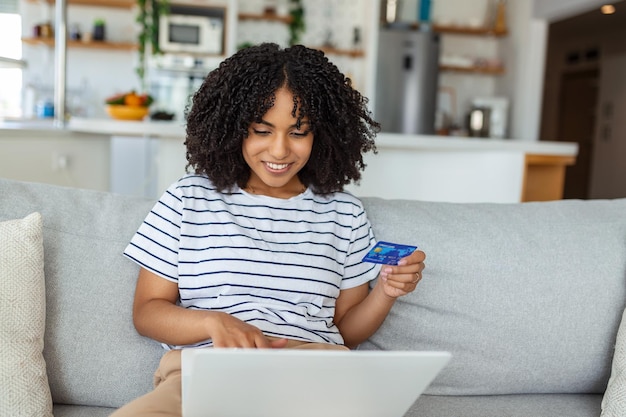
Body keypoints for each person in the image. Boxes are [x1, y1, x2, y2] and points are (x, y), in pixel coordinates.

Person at [111, 42, 426, 417]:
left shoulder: (344, 214)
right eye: (262, 130)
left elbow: (347, 329)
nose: (279, 151)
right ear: (233, 127)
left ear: (320, 134)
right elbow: (147, 313)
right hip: (207, 373)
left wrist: (387, 292)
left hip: (316, 374)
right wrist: (215, 323)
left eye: (298, 132)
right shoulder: (187, 199)